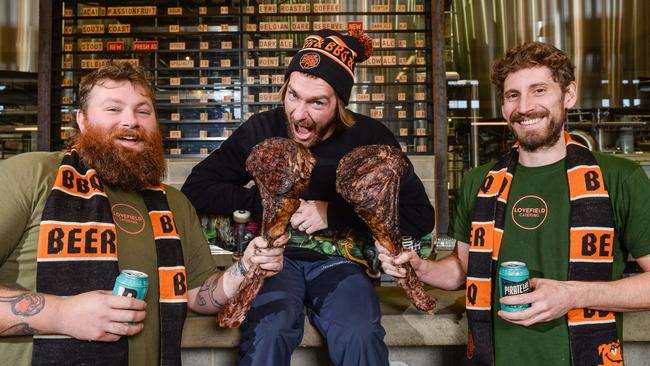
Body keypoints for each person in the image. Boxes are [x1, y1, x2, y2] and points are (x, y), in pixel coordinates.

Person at [378, 42, 650, 366]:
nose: (525, 107)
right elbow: (463, 271)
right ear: (504, 106)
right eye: (512, 95)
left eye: (539, 90)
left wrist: (574, 295)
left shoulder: (621, 178)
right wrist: (420, 268)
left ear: (569, 94)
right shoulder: (479, 181)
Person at [0, 61, 285, 366]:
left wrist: (246, 266)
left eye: (143, 111)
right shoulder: (31, 175)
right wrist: (61, 314)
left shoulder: (173, 203)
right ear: (81, 121)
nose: (130, 120)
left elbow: (199, 295)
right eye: (113, 109)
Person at [181, 29, 435, 366]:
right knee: (269, 331)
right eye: (293, 96)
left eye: (317, 103)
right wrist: (269, 202)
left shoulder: (371, 138)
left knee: (359, 333)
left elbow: (419, 215)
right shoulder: (261, 129)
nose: (300, 114)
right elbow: (196, 189)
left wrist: (333, 214)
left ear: (340, 103)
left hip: (341, 262)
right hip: (275, 262)